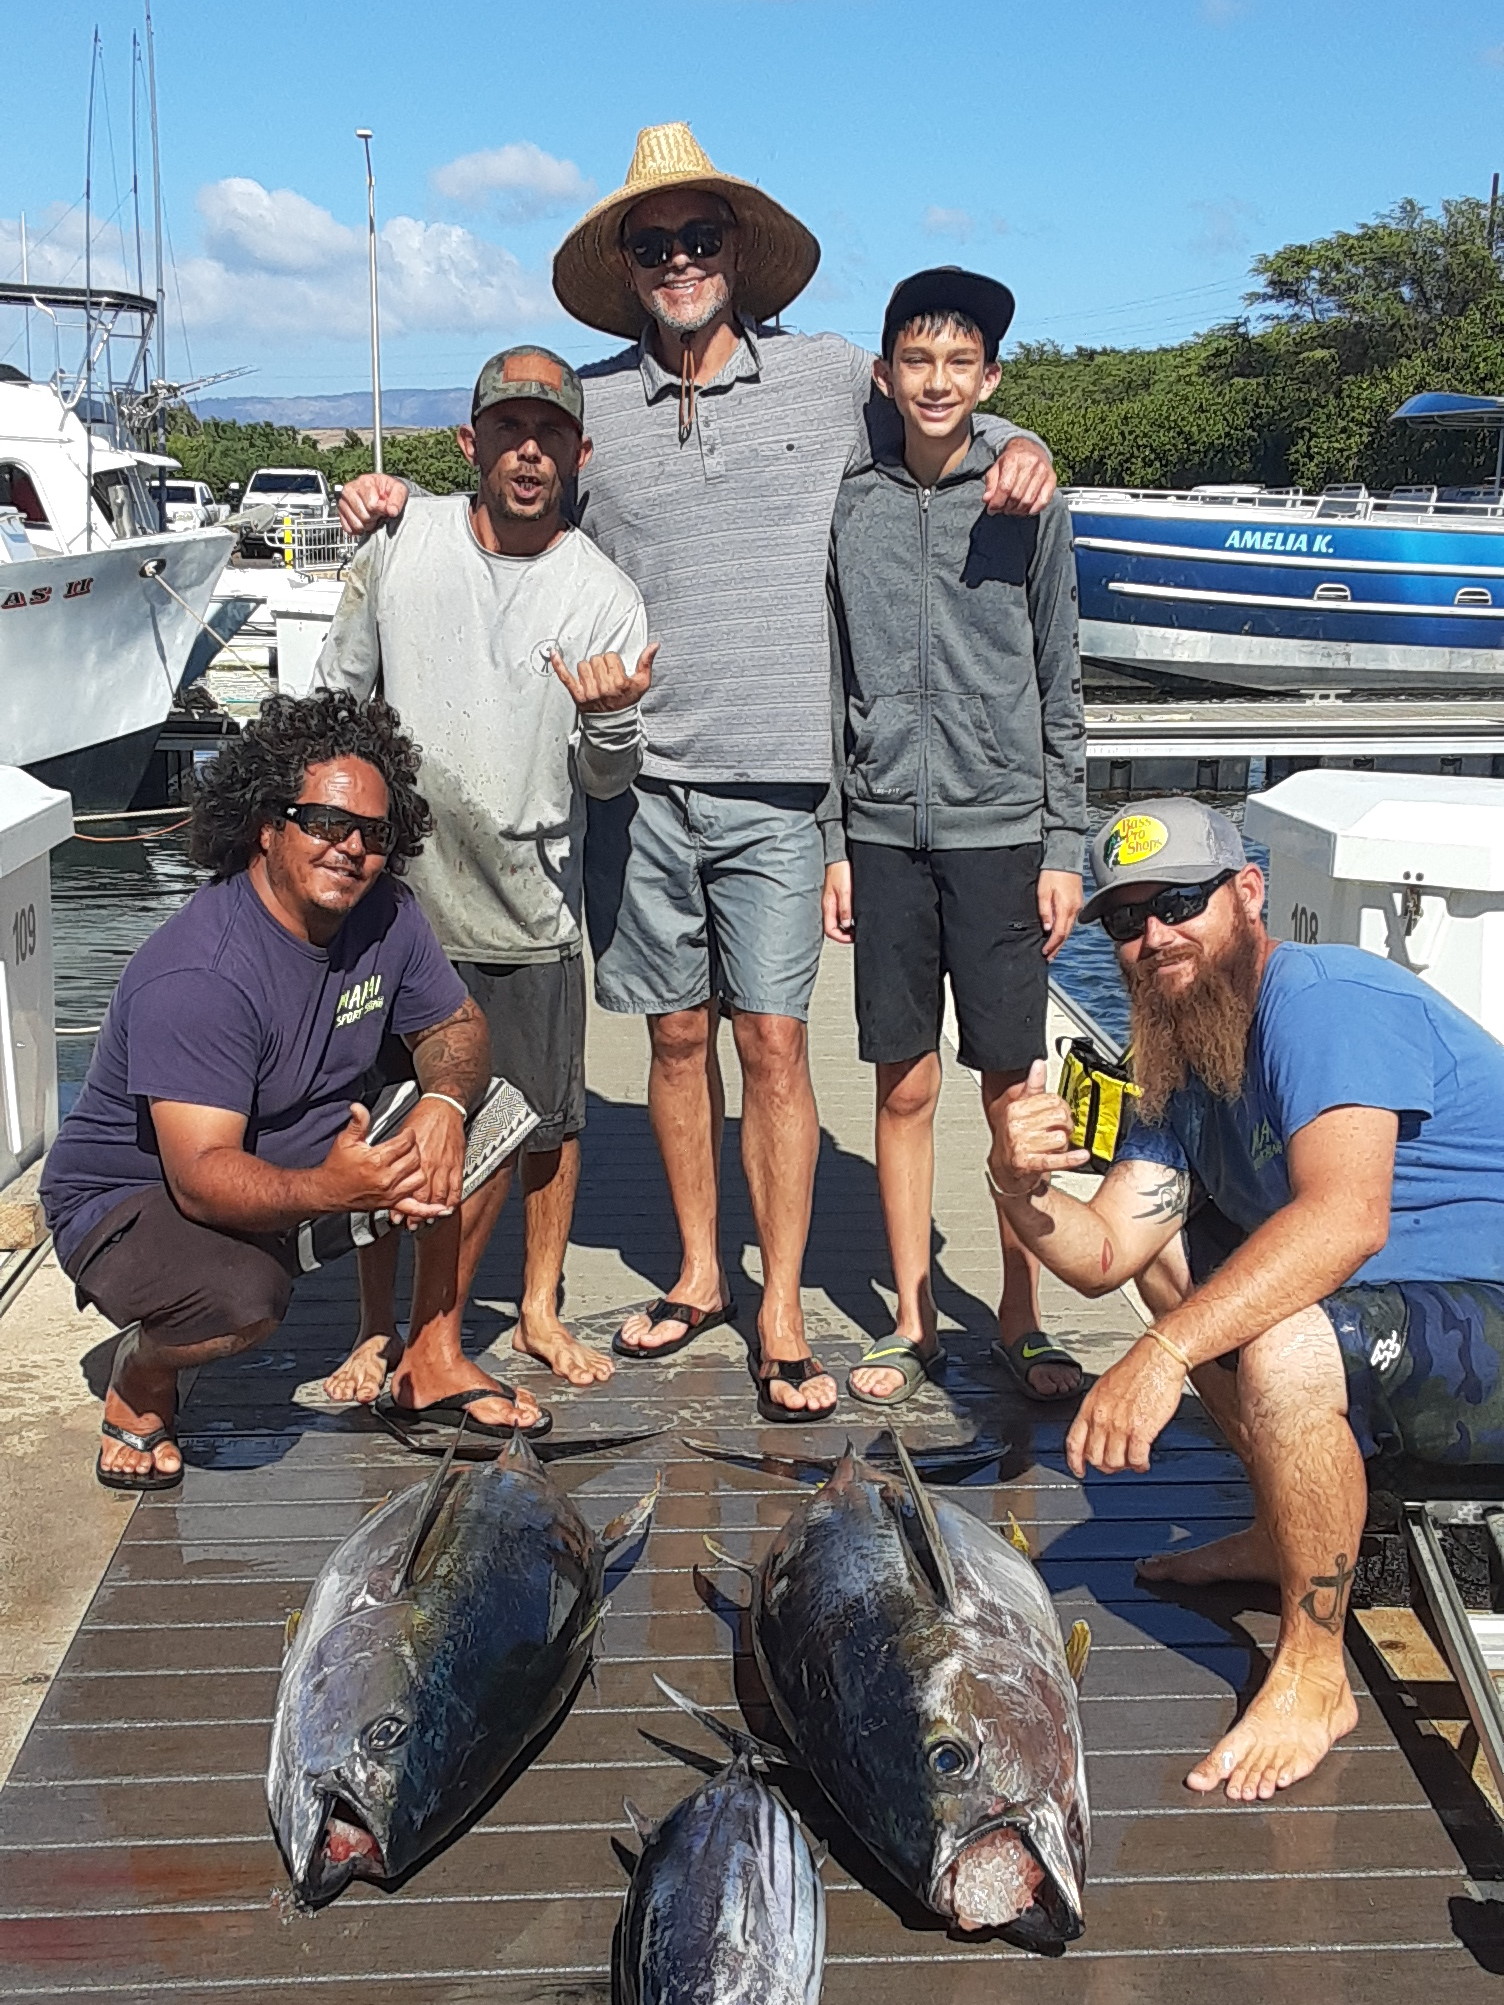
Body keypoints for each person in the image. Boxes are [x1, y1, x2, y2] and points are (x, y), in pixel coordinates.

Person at [339, 124, 1057, 1421]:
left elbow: (935, 407)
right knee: (675, 1040)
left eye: (700, 237)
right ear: (630, 265)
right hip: (633, 786)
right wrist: (398, 510)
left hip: (785, 784)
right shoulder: (594, 407)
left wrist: (1022, 442)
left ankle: (782, 1311)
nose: (679, 258)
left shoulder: (832, 372)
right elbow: (513, 503)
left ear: (739, 253)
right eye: (654, 241)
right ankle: (697, 1273)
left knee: (775, 1044)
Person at [987, 795, 1504, 1803]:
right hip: (1394, 1314)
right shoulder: (1176, 1061)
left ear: (1249, 893)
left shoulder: (1320, 999)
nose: (1153, 938)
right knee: (1181, 1262)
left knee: (1280, 1346)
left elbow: (1344, 1219)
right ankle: (1283, 1526)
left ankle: (1315, 1677)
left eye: (1179, 901)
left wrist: (1164, 1354)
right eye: (1125, 922)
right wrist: (1017, 1186)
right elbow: (1107, 1250)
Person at [40, 691, 551, 1491]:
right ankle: (141, 1372)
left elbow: (458, 1026)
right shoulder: (201, 973)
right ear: (267, 823)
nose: (351, 847)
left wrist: (444, 1106)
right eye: (325, 822)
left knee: (493, 1115)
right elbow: (202, 1177)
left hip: (299, 1155)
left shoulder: (386, 914)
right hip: (134, 1200)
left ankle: (431, 1357)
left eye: (374, 834)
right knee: (245, 1299)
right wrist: (332, 1188)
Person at [317, 345, 654, 1401]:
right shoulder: (400, 542)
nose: (527, 450)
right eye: (507, 429)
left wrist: (610, 717)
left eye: (550, 432)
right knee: (380, 1117)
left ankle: (539, 1308)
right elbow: (335, 700)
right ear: (470, 443)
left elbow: (607, 781)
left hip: (530, 907)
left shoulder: (604, 596)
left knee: (541, 1126)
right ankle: (379, 1326)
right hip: (398, 904)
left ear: (579, 452)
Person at [819, 267, 1087, 1409]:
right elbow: (827, 675)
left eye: (959, 364)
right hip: (881, 830)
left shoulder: (1025, 495)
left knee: (1010, 1086)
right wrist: (836, 831)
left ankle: (1022, 1316)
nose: (937, 381)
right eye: (916, 361)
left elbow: (1060, 677)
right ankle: (914, 1317)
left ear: (988, 379)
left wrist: (1066, 840)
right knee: (903, 1083)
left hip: (1001, 834)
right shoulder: (847, 494)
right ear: (886, 373)